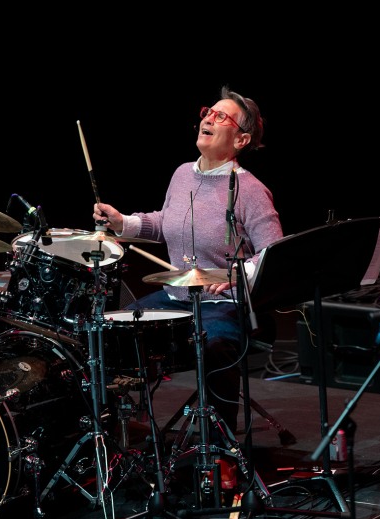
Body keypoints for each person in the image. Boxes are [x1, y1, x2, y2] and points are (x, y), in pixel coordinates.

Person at [92, 85, 283, 435]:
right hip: (177, 296)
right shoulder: (182, 173)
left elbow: (275, 254)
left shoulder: (251, 191)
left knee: (211, 343)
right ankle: (123, 429)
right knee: (106, 330)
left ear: (241, 140)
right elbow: (167, 222)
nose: (208, 117)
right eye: (208, 111)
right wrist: (123, 223)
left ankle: (221, 442)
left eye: (220, 116)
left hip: (224, 304)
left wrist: (240, 276)